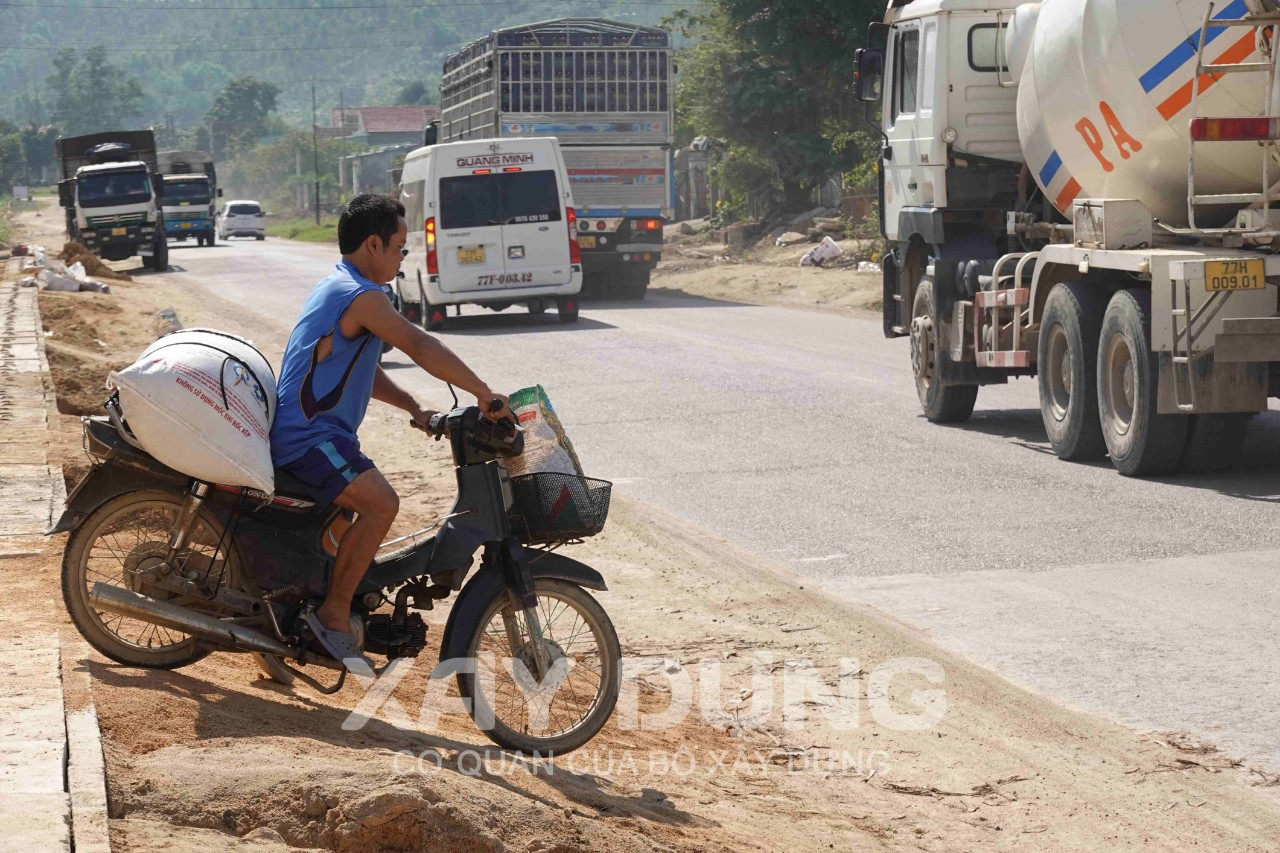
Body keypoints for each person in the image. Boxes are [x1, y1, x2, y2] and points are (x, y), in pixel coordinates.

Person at [270, 193, 512, 670]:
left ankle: (277, 630)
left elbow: (360, 370)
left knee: (332, 535)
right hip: (311, 438)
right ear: (374, 244)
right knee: (382, 503)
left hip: (319, 435)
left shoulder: (340, 286)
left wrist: (416, 407)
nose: (403, 260)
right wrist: (484, 393)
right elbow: (420, 344)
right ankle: (335, 617)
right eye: (401, 248)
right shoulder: (362, 296)